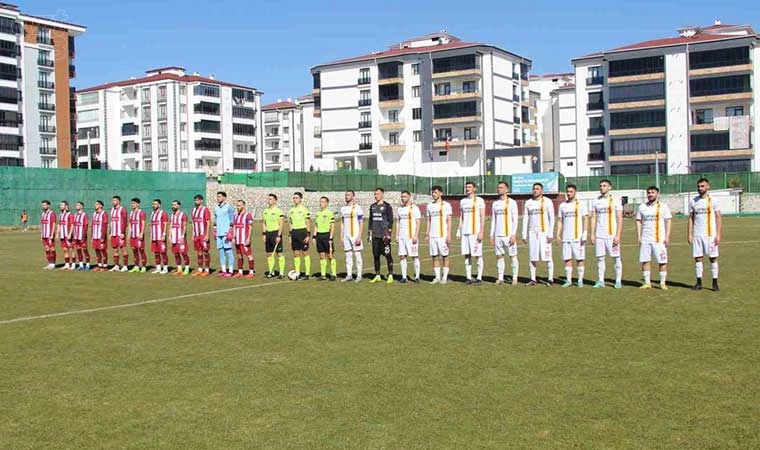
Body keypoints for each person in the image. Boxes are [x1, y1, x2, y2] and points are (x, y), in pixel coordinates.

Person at [688, 178, 721, 291]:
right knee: (698, 258)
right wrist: (690, 234)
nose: (700, 188)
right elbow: (691, 218)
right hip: (698, 235)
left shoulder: (713, 200)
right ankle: (699, 283)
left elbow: (718, 217)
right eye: (698, 186)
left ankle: (715, 282)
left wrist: (718, 234)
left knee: (713, 258)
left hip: (710, 235)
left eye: (702, 186)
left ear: (708, 187)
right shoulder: (693, 201)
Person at [637, 186, 672, 290]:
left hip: (659, 239)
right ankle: (647, 283)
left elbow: (668, 220)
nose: (650, 194)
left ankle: (662, 282)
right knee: (645, 260)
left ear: (657, 194)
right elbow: (638, 220)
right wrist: (639, 236)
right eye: (649, 192)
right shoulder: (642, 207)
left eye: (653, 192)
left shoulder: (663, 207)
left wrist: (667, 236)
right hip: (646, 239)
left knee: (662, 261)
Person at [590, 179, 623, 289]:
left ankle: (618, 281)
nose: (601, 187)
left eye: (604, 186)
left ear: (610, 187)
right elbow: (593, 218)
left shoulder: (615, 200)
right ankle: (601, 281)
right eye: (600, 186)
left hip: (612, 235)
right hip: (600, 235)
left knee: (616, 258)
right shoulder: (596, 201)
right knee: (600, 258)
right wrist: (592, 234)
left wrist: (618, 235)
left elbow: (619, 218)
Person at [522, 183, 555, 286]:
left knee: (547, 256)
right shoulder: (528, 203)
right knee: (532, 257)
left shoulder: (547, 201)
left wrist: (550, 233)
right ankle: (533, 278)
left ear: (542, 191)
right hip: (532, 232)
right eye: (534, 189)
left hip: (544, 233)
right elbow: (525, 218)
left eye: (537, 189)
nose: (535, 190)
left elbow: (552, 218)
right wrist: (524, 233)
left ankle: (550, 278)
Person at [557, 184, 588, 288]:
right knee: (567, 259)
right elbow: (560, 221)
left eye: (571, 191)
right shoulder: (562, 205)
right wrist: (558, 235)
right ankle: (569, 280)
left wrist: (585, 233)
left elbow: (585, 218)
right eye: (568, 192)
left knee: (579, 259)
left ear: (575, 192)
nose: (569, 193)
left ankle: (580, 280)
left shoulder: (581, 204)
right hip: (566, 237)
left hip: (577, 238)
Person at [490, 181, 519, 285]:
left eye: (501, 188)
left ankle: (515, 277)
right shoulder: (495, 203)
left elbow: (515, 219)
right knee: (499, 256)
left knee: (513, 256)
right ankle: (500, 277)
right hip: (498, 235)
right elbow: (494, 220)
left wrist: (513, 234)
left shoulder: (512, 202)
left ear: (507, 189)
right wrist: (491, 234)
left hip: (508, 235)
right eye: (498, 188)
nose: (499, 189)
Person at [458, 181, 486, 285]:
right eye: (466, 187)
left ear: (474, 189)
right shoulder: (463, 201)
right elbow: (461, 217)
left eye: (469, 187)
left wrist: (481, 231)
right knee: (467, 255)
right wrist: (458, 230)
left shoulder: (480, 201)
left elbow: (482, 217)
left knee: (478, 255)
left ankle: (479, 277)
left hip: (475, 232)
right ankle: (468, 277)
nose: (467, 189)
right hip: (465, 232)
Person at [426, 186, 452, 284]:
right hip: (433, 236)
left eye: (435, 192)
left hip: (442, 235)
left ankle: (444, 277)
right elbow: (429, 221)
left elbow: (449, 220)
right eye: (432, 192)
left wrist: (449, 234)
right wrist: (427, 234)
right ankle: (437, 277)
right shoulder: (429, 206)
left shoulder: (446, 205)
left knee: (445, 256)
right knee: (434, 256)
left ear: (441, 193)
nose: (433, 194)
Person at [368, 187, 394, 284]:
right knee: (376, 256)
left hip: (384, 236)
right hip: (375, 236)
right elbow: (370, 221)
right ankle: (377, 275)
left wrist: (388, 234)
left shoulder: (387, 206)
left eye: (377, 194)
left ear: (382, 194)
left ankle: (390, 275)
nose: (376, 196)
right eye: (375, 194)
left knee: (388, 255)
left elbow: (390, 221)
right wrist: (369, 234)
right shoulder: (372, 206)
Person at [395, 190, 422, 283]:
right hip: (402, 237)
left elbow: (418, 222)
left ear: (409, 197)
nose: (403, 198)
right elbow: (398, 222)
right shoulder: (399, 209)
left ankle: (417, 277)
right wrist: (397, 235)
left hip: (411, 237)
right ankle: (404, 277)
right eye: (402, 196)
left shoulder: (415, 208)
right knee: (402, 256)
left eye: (404, 196)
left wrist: (416, 235)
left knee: (414, 256)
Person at [340, 190, 364, 282]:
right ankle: (349, 274)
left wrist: (359, 236)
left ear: (353, 196)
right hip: (346, 236)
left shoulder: (357, 208)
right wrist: (341, 236)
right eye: (345, 195)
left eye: (348, 195)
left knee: (357, 255)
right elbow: (342, 223)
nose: (346, 196)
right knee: (348, 255)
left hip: (355, 235)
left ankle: (359, 275)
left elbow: (361, 222)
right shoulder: (343, 209)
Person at [288, 192, 312, 280]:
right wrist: (290, 235)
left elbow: (308, 223)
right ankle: (297, 273)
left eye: (296, 198)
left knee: (305, 252)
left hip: (302, 232)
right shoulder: (291, 210)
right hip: (294, 232)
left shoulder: (304, 210)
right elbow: (290, 223)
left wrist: (308, 235)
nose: (295, 199)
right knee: (296, 253)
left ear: (301, 199)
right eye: (294, 198)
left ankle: (307, 273)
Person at [313, 196, 337, 281]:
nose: (321, 203)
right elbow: (316, 225)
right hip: (319, 236)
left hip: (327, 236)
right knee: (321, 255)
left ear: (327, 203)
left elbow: (333, 227)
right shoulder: (317, 214)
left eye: (323, 201)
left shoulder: (329, 213)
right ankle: (323, 275)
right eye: (320, 201)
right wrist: (314, 236)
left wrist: (331, 238)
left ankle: (333, 274)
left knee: (330, 255)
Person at [262, 194, 286, 278]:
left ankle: (281, 273)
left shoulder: (278, 211)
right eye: (268, 199)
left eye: (270, 199)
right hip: (268, 233)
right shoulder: (265, 211)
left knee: (279, 253)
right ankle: (271, 272)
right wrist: (264, 234)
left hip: (276, 233)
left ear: (275, 201)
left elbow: (281, 224)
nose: (269, 200)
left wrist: (279, 235)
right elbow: (264, 223)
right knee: (269, 253)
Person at [231, 199, 255, 278]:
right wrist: (233, 237)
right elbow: (234, 226)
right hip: (237, 239)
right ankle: (240, 271)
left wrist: (248, 238)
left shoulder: (248, 215)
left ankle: (251, 272)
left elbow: (250, 227)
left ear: (244, 206)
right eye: (237, 206)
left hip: (244, 239)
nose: (237, 207)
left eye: (239, 205)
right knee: (239, 255)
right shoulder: (236, 215)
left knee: (249, 255)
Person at [214, 191, 235, 277]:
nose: (218, 198)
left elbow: (232, 219)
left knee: (229, 251)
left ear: (224, 198)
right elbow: (215, 219)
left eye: (219, 196)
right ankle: (223, 270)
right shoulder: (216, 208)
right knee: (221, 251)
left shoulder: (229, 207)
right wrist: (215, 230)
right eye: (217, 196)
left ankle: (230, 270)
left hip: (226, 233)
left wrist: (230, 231)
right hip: (219, 233)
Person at [191, 194, 212, 276]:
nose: (196, 201)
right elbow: (193, 223)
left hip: (203, 234)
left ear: (201, 200)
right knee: (199, 252)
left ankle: (207, 270)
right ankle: (200, 269)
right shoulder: (193, 210)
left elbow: (208, 222)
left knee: (206, 252)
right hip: (196, 235)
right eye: (195, 200)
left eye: (197, 200)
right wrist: (193, 233)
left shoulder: (205, 210)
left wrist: (207, 235)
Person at [170, 200, 191, 276]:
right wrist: (170, 235)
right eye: (172, 205)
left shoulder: (183, 215)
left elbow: (185, 226)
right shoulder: (172, 215)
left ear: (179, 206)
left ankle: (187, 268)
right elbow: (171, 226)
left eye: (175, 205)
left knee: (184, 253)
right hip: (174, 238)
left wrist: (182, 236)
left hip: (180, 238)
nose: (173, 206)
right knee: (176, 253)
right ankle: (179, 269)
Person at [109, 196, 129, 272]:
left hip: (120, 233)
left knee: (123, 249)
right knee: (115, 250)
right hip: (113, 233)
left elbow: (124, 221)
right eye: (113, 200)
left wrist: (122, 232)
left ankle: (125, 266)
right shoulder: (112, 210)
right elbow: (111, 222)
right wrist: (110, 232)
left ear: (119, 201)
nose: (113, 201)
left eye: (115, 200)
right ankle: (116, 265)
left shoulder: (122, 209)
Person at [149, 199, 169, 275]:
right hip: (154, 236)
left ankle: (165, 268)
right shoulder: (152, 214)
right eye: (153, 204)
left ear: (159, 205)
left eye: (155, 204)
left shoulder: (163, 213)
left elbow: (165, 224)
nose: (153, 205)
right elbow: (151, 225)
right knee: (156, 253)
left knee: (163, 252)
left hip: (160, 237)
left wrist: (164, 234)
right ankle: (158, 267)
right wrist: (151, 234)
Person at [127, 198, 147, 273]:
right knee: (134, 250)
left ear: (138, 204)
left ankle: (144, 267)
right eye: (132, 203)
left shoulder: (141, 213)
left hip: (139, 235)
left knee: (141, 250)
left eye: (134, 203)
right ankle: (136, 266)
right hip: (133, 235)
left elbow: (143, 223)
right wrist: (129, 234)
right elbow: (129, 224)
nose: (132, 204)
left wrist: (141, 233)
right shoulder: (131, 213)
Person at [72, 201, 91, 271]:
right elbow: (74, 226)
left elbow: (85, 226)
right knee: (78, 250)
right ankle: (81, 264)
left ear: (81, 206)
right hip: (76, 236)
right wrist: (74, 236)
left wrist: (83, 236)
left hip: (82, 237)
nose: (76, 206)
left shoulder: (84, 215)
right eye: (76, 205)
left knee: (85, 250)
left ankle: (88, 264)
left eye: (78, 205)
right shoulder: (75, 215)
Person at [56, 201, 75, 270]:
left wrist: (70, 234)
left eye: (62, 205)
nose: (60, 206)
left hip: (68, 236)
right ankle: (67, 264)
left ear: (66, 206)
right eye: (60, 205)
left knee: (71, 250)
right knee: (65, 250)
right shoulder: (60, 215)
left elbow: (72, 225)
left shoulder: (70, 215)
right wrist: (57, 233)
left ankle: (73, 265)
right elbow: (59, 224)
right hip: (62, 236)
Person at [91, 201, 109, 272]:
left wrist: (102, 237)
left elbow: (104, 226)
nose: (95, 205)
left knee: (103, 250)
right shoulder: (94, 214)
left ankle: (104, 266)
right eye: (95, 204)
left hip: (101, 236)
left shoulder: (104, 214)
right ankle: (99, 265)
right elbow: (92, 225)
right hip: (95, 236)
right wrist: (92, 236)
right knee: (97, 250)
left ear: (101, 206)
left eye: (97, 204)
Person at [40, 200, 57, 270]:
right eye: (42, 205)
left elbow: (53, 224)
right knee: (47, 249)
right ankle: (49, 263)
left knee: (52, 249)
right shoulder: (43, 214)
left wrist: (52, 234)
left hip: (49, 235)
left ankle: (53, 264)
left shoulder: (52, 213)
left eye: (44, 205)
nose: (43, 206)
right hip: (44, 235)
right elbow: (42, 224)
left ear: (48, 205)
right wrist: (41, 233)